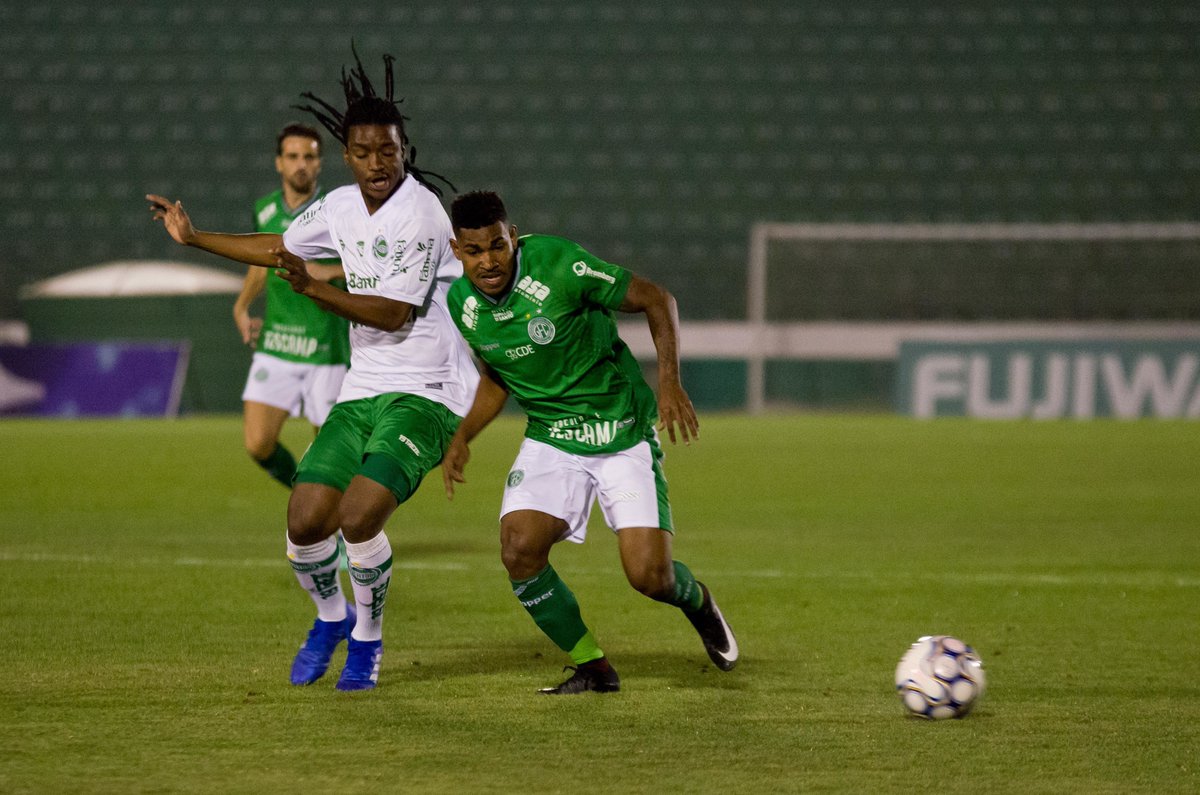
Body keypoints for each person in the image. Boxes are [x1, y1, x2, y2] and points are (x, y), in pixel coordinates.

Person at [147, 50, 479, 691]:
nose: (377, 164)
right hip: (363, 391)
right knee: (303, 525)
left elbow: (390, 313)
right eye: (363, 152)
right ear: (347, 156)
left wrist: (310, 287)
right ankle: (330, 617)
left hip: (427, 395)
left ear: (404, 150)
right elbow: (280, 249)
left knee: (358, 517)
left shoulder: (423, 213)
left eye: (388, 151)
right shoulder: (339, 206)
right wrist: (194, 238)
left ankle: (367, 640)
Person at [441, 190, 738, 694]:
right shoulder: (462, 305)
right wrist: (463, 435)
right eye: (474, 251)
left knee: (649, 577)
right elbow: (498, 376)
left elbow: (655, 298)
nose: (488, 261)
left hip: (620, 430)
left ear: (512, 237)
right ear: (456, 250)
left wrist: (668, 381)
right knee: (518, 549)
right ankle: (593, 667)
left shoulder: (560, 264)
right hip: (552, 438)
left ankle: (697, 601)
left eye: (497, 246)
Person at [232, 123, 350, 489]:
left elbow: (370, 265)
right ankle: (306, 497)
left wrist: (327, 272)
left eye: (310, 157)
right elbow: (260, 263)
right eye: (293, 156)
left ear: (320, 163)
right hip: (278, 342)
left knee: (334, 453)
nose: (302, 164)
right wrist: (242, 306)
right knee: (258, 443)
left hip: (325, 346)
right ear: (279, 163)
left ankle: (343, 531)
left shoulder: (340, 211)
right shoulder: (265, 210)